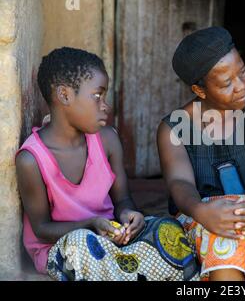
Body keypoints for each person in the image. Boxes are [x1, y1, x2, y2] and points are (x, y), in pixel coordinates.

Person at [15, 47, 198, 281]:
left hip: (112, 240)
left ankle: (125, 270)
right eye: (97, 96)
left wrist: (130, 216)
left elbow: (122, 199)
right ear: (64, 95)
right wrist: (91, 225)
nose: (105, 106)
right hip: (64, 248)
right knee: (83, 244)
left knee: (167, 230)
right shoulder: (32, 159)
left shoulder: (107, 139)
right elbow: (41, 229)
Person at [157, 27, 245, 281]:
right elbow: (180, 182)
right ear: (200, 91)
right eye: (226, 83)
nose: (240, 85)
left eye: (241, 71)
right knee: (222, 239)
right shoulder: (173, 128)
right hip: (203, 214)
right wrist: (200, 211)